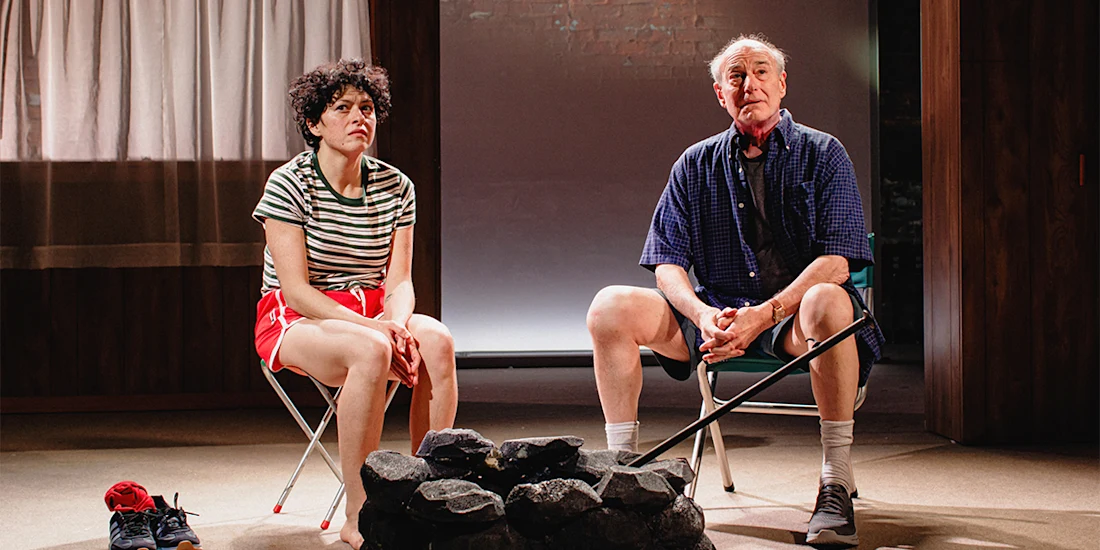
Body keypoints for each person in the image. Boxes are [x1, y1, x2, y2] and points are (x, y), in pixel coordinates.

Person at [585, 35, 884, 547]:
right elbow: (667, 265)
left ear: (782, 84)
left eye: (762, 72)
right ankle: (624, 472)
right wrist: (702, 315)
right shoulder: (694, 164)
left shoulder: (824, 153)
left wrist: (763, 316)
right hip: (717, 321)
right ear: (720, 93)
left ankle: (833, 480)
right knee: (609, 305)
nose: (751, 84)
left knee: (828, 298)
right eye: (737, 76)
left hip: (793, 320)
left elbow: (836, 262)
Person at [252, 59, 458, 549]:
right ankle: (359, 513)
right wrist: (374, 329)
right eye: (342, 108)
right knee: (370, 351)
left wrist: (398, 323)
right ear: (314, 122)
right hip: (298, 316)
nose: (357, 117)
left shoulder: (396, 186)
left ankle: (426, 490)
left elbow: (400, 281)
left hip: (373, 313)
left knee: (438, 340)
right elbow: (297, 290)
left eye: (366, 108)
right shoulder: (288, 184)